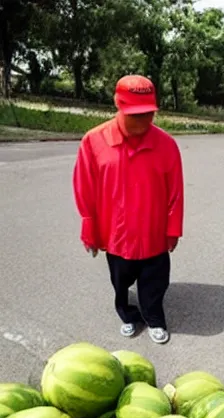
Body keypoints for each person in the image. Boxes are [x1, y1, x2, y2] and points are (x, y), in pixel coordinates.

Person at [72, 75, 184, 344]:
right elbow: (84, 186)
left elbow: (176, 192)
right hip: (116, 233)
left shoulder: (166, 145)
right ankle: (129, 315)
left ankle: (154, 318)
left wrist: (173, 230)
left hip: (153, 231)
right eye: (136, 114)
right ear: (118, 105)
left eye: (148, 114)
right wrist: (89, 228)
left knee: (155, 281)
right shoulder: (94, 141)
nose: (143, 121)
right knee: (120, 280)